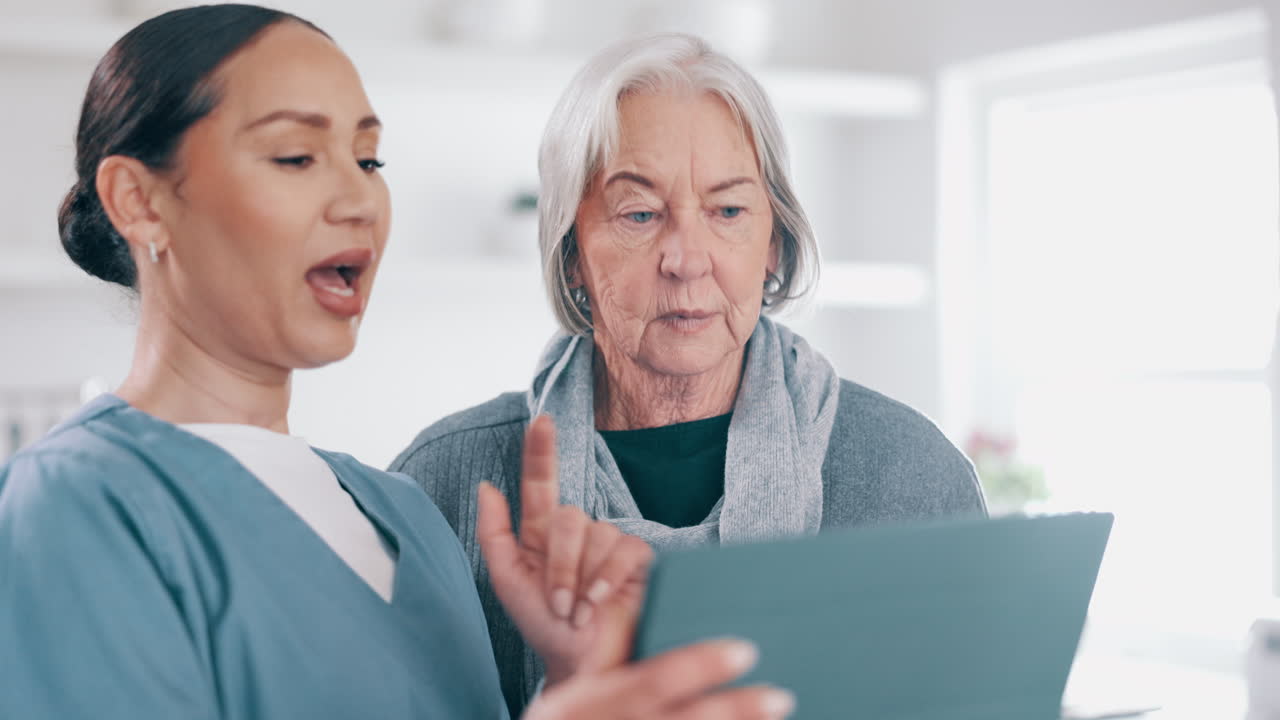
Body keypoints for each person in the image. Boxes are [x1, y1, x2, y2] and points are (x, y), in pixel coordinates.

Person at [0, 8, 796, 719]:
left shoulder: (406, 514)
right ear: (140, 202)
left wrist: (569, 677)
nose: (358, 199)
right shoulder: (72, 504)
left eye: (369, 161)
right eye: (294, 157)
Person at [392, 32, 989, 714]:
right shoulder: (442, 486)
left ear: (774, 245)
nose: (686, 258)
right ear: (571, 256)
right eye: (639, 214)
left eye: (728, 211)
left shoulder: (912, 475)